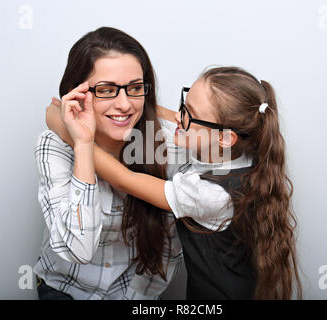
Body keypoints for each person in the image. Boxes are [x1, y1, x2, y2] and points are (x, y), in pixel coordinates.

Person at [47, 65, 303, 299]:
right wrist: (130, 101)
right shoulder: (239, 150)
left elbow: (126, 180)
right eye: (184, 105)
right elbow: (172, 116)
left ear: (226, 138)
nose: (179, 117)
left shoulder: (209, 194)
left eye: (190, 115)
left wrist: (69, 134)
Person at [34, 26, 184, 300]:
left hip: (138, 295)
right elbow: (77, 250)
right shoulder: (54, 144)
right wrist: (80, 143)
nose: (125, 104)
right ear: (77, 92)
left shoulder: (168, 142)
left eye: (135, 88)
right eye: (107, 90)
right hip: (67, 290)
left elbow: (227, 134)